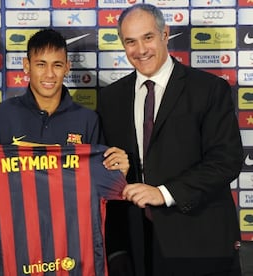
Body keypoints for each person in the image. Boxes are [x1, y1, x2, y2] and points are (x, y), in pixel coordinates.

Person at [0, 28, 130, 275]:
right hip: (15, 254)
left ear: (67, 67)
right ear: (26, 66)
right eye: (41, 64)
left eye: (57, 65)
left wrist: (120, 173)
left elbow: (104, 187)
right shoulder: (0, 116)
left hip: (73, 255)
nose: (49, 74)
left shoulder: (88, 120)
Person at [97, 3, 243, 276]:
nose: (140, 50)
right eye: (130, 41)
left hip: (200, 244)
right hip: (137, 247)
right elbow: (107, 173)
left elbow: (226, 161)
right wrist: (116, 248)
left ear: (165, 35)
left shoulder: (209, 89)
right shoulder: (110, 99)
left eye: (148, 37)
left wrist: (164, 193)